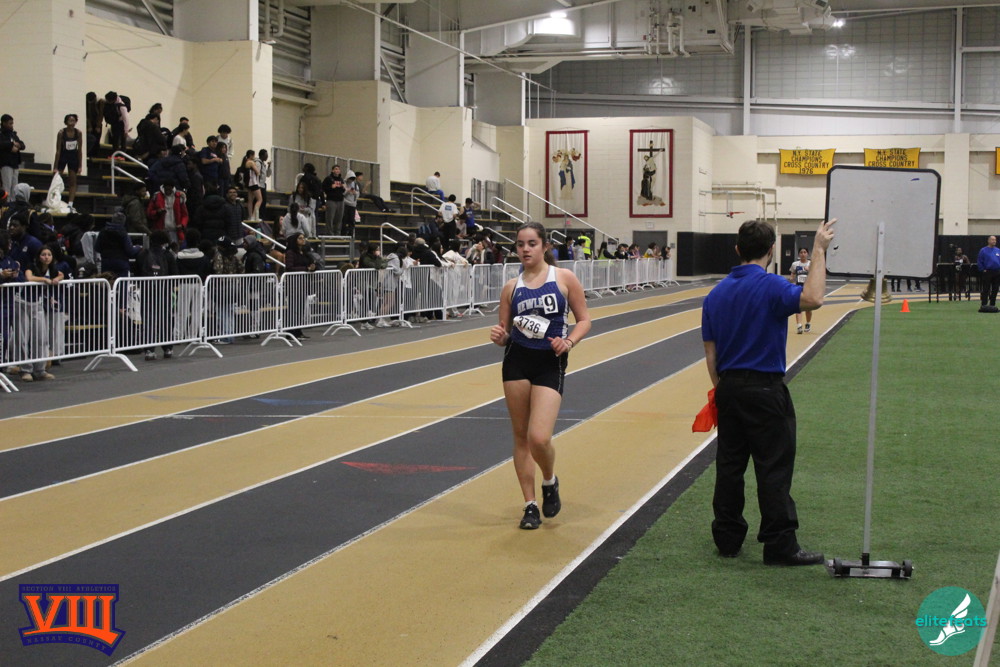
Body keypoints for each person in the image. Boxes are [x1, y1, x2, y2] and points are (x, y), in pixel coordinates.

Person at [701, 218, 835, 566]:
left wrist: (723, 389)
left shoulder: (715, 294)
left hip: (729, 387)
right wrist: (818, 250)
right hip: (764, 389)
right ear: (772, 250)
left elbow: (711, 354)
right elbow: (813, 298)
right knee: (773, 466)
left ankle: (727, 539)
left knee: (730, 466)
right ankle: (779, 544)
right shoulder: (772, 286)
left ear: (737, 249)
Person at [489, 221, 592, 530]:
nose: (525, 249)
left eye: (532, 243)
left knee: (539, 437)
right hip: (517, 361)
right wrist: (500, 337)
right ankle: (530, 505)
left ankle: (549, 480)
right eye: (520, 244)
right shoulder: (511, 287)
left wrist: (569, 341)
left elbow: (584, 320)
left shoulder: (563, 278)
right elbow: (505, 332)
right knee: (521, 436)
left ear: (545, 246)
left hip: (550, 361)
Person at [52, 114, 83, 211]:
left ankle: (70, 203)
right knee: (57, 179)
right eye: (70, 120)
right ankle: (54, 200)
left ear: (76, 122)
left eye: (73, 120)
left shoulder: (78, 133)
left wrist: (80, 166)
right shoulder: (61, 133)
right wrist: (55, 167)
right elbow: (58, 151)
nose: (71, 123)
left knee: (72, 181)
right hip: (63, 156)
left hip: (73, 157)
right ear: (66, 122)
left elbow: (80, 150)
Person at [0, 114, 26, 196]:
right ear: (4, 123)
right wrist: (12, 144)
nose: (12, 125)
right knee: (7, 185)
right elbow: (2, 144)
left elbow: (22, 145)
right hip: (6, 163)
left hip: (15, 163)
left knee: (15, 187)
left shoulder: (13, 134)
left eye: (12, 123)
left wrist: (18, 145)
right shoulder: (1, 134)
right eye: (10, 123)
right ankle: (6, 202)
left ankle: (13, 202)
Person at [789, 247, 812, 333]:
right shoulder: (795, 264)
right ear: (799, 254)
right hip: (798, 288)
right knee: (798, 307)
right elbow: (792, 275)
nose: (803, 254)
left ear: (807, 254)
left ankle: (808, 323)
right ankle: (799, 326)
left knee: (808, 308)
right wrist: (791, 279)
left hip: (808, 288)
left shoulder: (811, 264)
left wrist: (809, 270)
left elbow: (815, 274)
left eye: (805, 252)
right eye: (801, 252)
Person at [977, 235, 1000, 313]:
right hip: (987, 272)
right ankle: (984, 305)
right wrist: (982, 269)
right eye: (992, 240)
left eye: (995, 240)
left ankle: (992, 305)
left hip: (997, 272)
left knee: (995, 289)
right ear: (989, 241)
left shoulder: (998, 250)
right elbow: (980, 261)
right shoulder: (983, 250)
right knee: (986, 289)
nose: (994, 241)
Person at [322, 164, 346, 235]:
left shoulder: (341, 179)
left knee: (339, 218)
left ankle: (337, 233)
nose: (337, 170)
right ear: (332, 170)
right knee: (330, 217)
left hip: (340, 200)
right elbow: (323, 188)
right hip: (331, 200)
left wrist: (344, 188)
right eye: (336, 169)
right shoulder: (328, 179)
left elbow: (343, 190)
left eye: (338, 169)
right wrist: (330, 187)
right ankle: (329, 233)